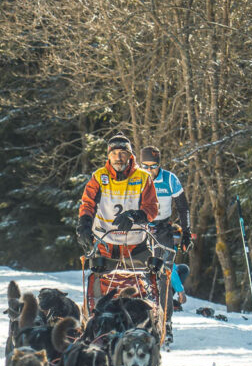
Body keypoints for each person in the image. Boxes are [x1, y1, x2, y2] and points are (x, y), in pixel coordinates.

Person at [76, 132, 159, 262]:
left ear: (130, 155)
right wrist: (84, 225)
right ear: (108, 156)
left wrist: (134, 215)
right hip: (104, 242)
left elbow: (152, 208)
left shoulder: (143, 177)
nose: (118, 157)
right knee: (101, 281)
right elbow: (88, 204)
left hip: (135, 243)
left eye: (123, 153)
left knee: (141, 282)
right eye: (113, 153)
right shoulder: (98, 176)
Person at [138, 145, 191, 341]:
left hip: (163, 229)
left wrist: (186, 233)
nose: (149, 171)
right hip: (142, 228)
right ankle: (144, 320)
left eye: (153, 166)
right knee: (142, 274)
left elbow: (183, 207)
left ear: (159, 165)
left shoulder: (169, 179)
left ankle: (166, 323)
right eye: (145, 166)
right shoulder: (136, 178)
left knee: (164, 276)